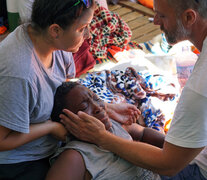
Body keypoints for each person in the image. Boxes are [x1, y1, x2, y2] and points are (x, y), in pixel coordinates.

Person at [59, 0, 207, 179]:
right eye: (85, 106)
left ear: (189, 17)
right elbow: (142, 133)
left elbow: (168, 165)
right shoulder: (75, 156)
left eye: (162, 16)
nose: (155, 21)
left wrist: (102, 138)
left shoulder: (198, 89)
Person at [0, 0, 95, 179]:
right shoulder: (19, 73)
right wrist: (50, 128)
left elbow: (66, 90)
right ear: (55, 30)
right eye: (82, 29)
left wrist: (108, 109)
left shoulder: (57, 44)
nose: (88, 35)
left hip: (51, 141)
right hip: (19, 161)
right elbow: (1, 140)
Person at [46, 81, 164, 180]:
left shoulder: (113, 125)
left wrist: (169, 145)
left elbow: (142, 133)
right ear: (67, 121)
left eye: (96, 98)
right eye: (84, 107)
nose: (98, 107)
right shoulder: (75, 156)